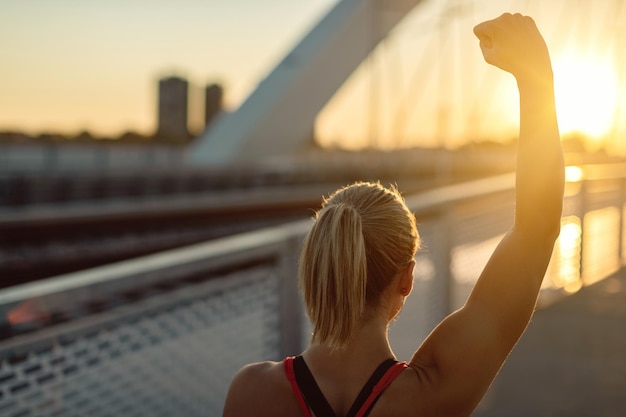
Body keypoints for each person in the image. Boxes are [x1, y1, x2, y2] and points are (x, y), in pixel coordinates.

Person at [222, 12, 564, 417]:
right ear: (407, 278)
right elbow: (536, 230)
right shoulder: (434, 392)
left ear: (313, 269)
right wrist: (535, 76)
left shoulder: (252, 393)